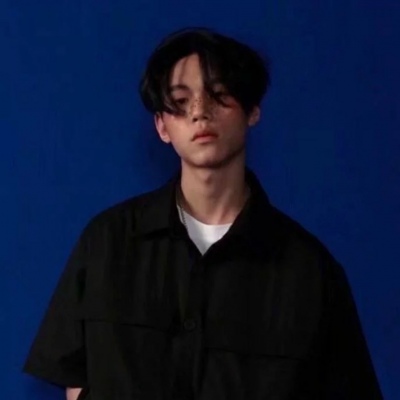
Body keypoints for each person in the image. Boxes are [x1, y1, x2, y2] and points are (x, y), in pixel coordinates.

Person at [23, 27, 383, 400]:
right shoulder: (107, 243)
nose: (200, 112)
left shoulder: (310, 270)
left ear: (252, 110)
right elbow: (76, 379)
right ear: (162, 126)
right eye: (181, 101)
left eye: (219, 94)